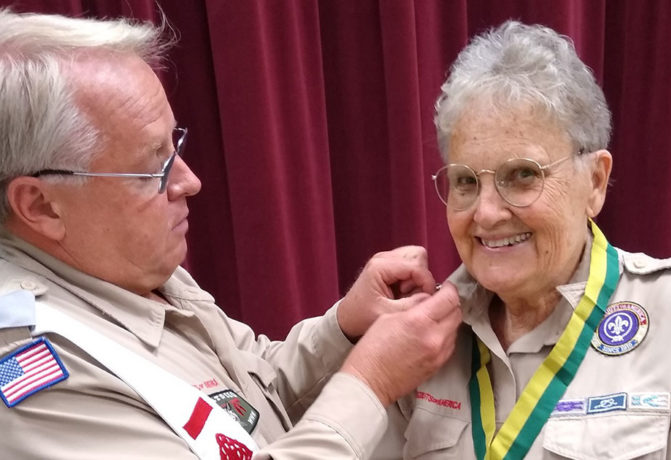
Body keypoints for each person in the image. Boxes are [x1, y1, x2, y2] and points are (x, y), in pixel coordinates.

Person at [0, 8, 462, 459]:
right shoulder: (39, 377)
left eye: (173, 145)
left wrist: (342, 328)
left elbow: (246, 400)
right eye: (152, 167)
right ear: (40, 205)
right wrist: (371, 381)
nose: (188, 181)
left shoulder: (117, 263)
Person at [373, 20, 671, 459]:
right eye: (466, 181)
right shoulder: (421, 336)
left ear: (595, 182)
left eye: (522, 174)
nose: (487, 213)